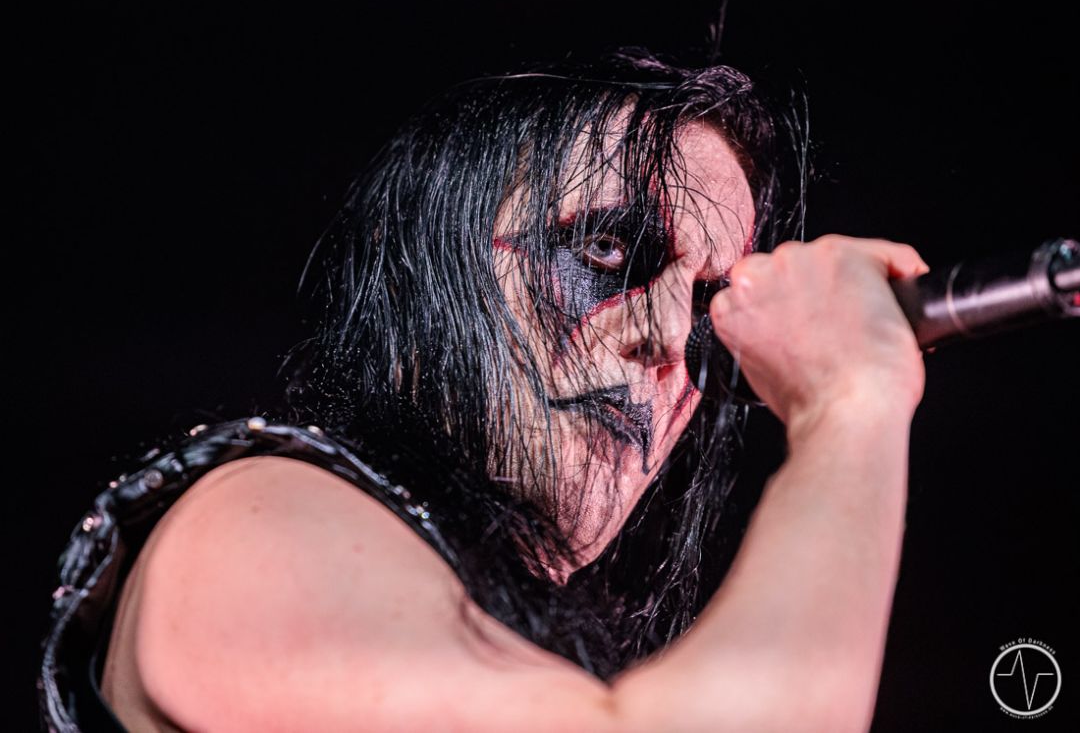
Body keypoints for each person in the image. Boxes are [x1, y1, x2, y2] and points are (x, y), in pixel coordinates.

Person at [39, 46, 929, 731]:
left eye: (705, 304)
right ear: (433, 268)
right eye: (605, 250)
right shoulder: (257, 519)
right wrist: (850, 405)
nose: (667, 338)